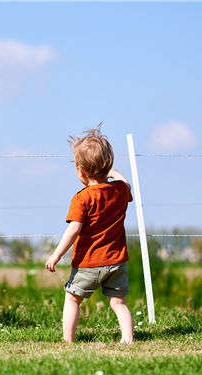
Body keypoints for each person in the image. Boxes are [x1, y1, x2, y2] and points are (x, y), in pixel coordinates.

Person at [46, 123, 134, 343]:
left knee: (72, 300)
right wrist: (111, 172)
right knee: (119, 303)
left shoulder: (82, 198)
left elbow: (74, 229)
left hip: (88, 263)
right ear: (108, 165)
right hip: (116, 262)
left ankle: (68, 340)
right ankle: (128, 339)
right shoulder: (120, 191)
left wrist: (57, 254)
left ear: (80, 171)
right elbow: (126, 183)